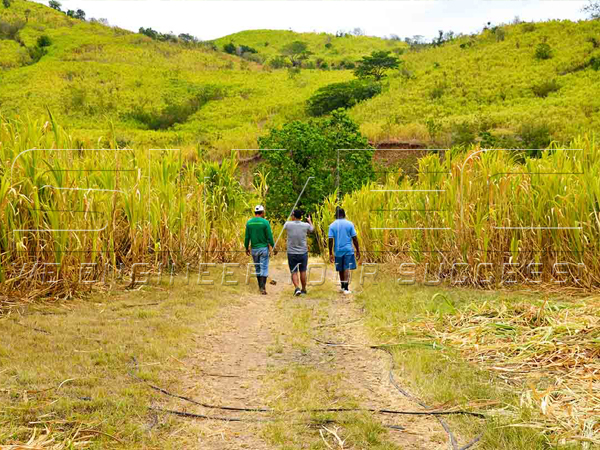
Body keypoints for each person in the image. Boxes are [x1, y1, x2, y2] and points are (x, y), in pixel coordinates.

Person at [328, 207, 360, 295]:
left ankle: (342, 286)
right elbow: (354, 238)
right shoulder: (349, 224)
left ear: (336, 215)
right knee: (346, 268)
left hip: (338, 251)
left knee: (340, 269)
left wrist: (330, 252)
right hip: (348, 250)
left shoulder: (332, 225)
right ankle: (346, 288)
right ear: (344, 215)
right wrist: (358, 250)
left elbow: (330, 240)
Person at [244, 205, 275, 295]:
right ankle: (262, 287)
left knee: (257, 267)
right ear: (262, 213)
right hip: (263, 249)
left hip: (254, 249)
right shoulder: (265, 222)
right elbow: (269, 236)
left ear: (255, 212)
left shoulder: (249, 223)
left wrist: (246, 248)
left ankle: (260, 286)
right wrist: (273, 246)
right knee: (264, 267)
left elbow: (247, 237)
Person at [283, 209, 314, 296]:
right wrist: (309, 221)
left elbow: (284, 227)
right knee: (303, 271)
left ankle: (297, 288)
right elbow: (312, 229)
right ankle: (303, 289)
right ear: (301, 216)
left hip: (291, 252)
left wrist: (291, 219)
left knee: (294, 271)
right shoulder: (305, 225)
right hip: (303, 252)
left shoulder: (288, 224)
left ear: (293, 216)